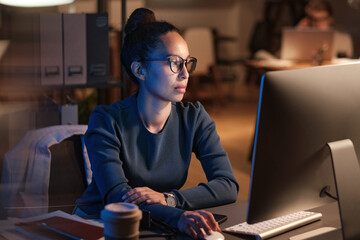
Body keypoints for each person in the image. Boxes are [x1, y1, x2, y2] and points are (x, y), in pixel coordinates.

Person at [75, 8, 239, 239]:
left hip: (154, 226)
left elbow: (228, 185)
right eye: (173, 63)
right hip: (99, 225)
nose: (185, 74)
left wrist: (170, 199)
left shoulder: (194, 117)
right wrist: (177, 216)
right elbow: (118, 197)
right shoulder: (106, 119)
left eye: (187, 63)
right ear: (140, 69)